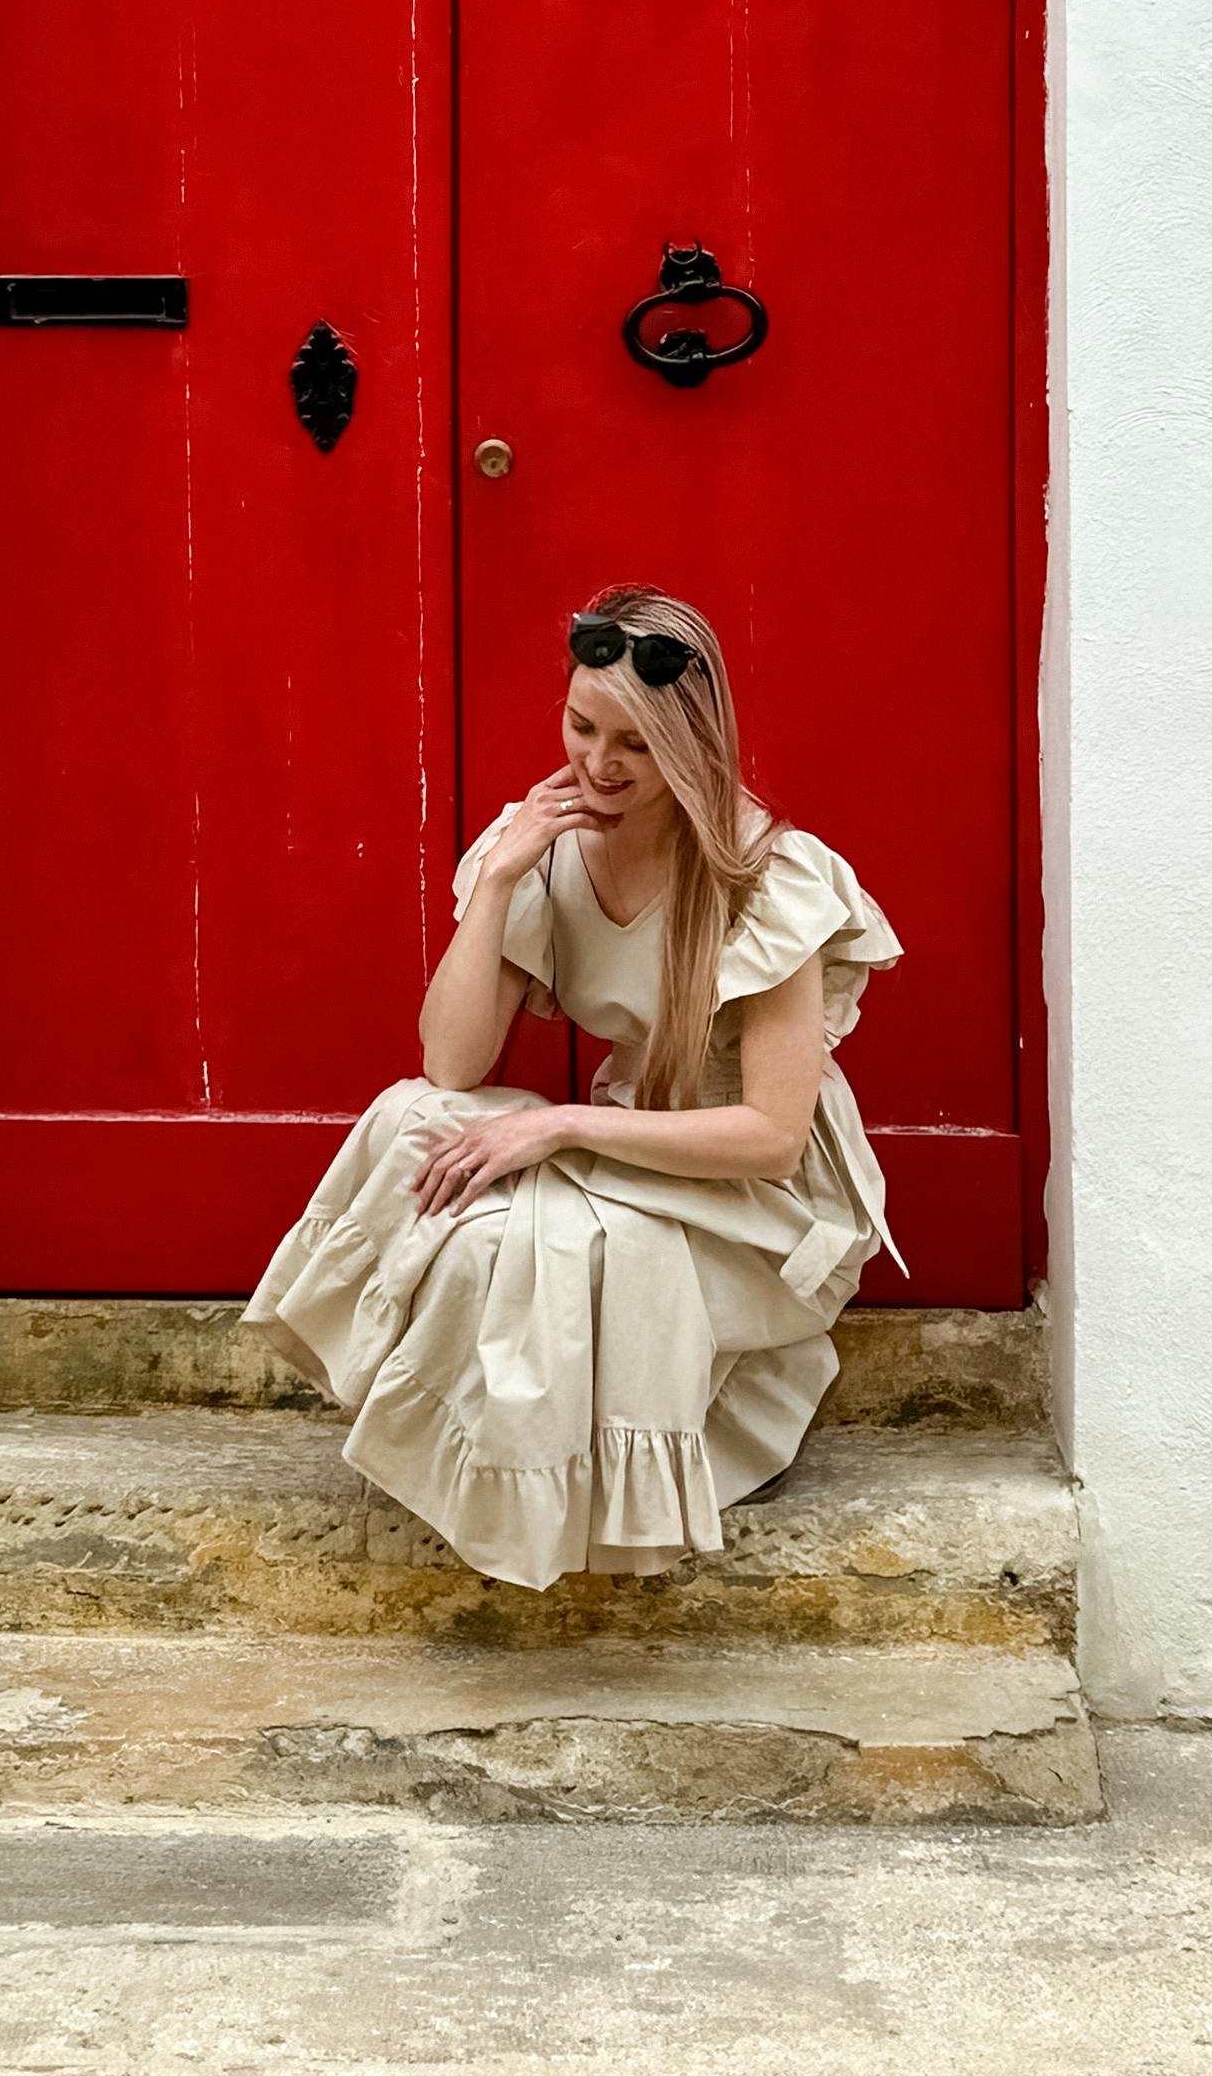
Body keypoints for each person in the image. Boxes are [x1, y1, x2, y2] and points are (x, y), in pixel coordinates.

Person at [245, 582, 902, 1589]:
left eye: (634, 745)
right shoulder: (545, 847)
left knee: (538, 1235)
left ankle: (595, 1489)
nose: (596, 763)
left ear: (691, 746)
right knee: (414, 1123)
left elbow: (772, 1136)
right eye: (580, 725)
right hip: (629, 1140)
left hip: (758, 1204)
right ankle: (490, 1481)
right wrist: (502, 877)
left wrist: (557, 1132)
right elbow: (452, 1067)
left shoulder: (765, 873)